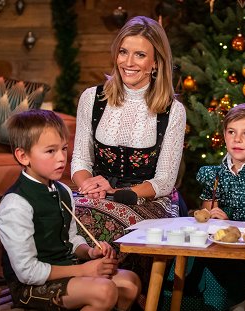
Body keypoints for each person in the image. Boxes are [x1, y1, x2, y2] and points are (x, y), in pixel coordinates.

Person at [71, 15, 185, 295]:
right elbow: (80, 161)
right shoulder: (92, 98)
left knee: (114, 224)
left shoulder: (172, 111)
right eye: (123, 52)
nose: (128, 62)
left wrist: (118, 194)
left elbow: (164, 182)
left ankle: (123, 294)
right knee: (64, 217)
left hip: (147, 198)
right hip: (96, 193)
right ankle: (82, 291)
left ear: (156, 62)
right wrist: (86, 184)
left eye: (140, 55)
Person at [0, 109, 141, 311]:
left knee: (130, 283)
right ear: (23, 156)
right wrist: (84, 270)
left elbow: (71, 238)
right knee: (104, 291)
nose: (62, 158)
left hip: (68, 270)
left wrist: (89, 252)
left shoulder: (62, 190)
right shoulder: (15, 204)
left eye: (63, 148)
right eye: (50, 151)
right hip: (31, 286)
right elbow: (27, 272)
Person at [164, 103, 245, 310]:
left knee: (214, 268)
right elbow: (207, 218)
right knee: (184, 261)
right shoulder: (215, 175)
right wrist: (210, 217)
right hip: (216, 246)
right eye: (231, 132)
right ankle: (177, 303)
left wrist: (233, 227)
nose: (237, 139)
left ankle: (221, 304)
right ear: (225, 135)